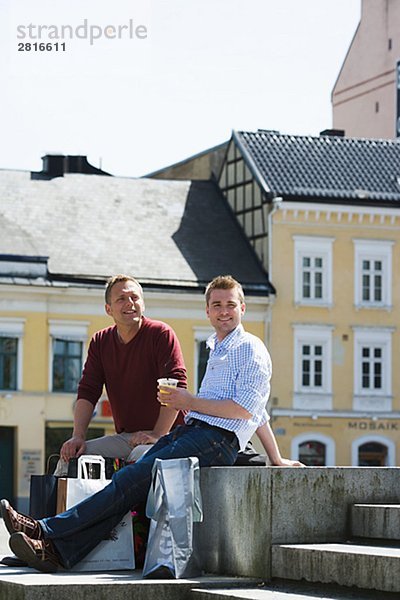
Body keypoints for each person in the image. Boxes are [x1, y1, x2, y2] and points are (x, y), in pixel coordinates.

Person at [1, 275, 301, 574]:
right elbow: (258, 411)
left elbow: (245, 409)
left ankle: (43, 530)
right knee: (130, 484)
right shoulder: (220, 347)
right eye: (217, 305)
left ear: (243, 308)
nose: (224, 311)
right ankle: (57, 551)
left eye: (230, 305)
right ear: (207, 311)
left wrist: (189, 403)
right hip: (195, 432)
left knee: (130, 479)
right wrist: (275, 459)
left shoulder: (249, 347)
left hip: (214, 438)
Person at [55, 274, 187, 474]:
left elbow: (175, 384)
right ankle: (54, 507)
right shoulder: (100, 341)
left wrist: (158, 433)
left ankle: (127, 507)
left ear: (143, 303)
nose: (130, 303)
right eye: (121, 299)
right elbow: (89, 390)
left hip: (170, 435)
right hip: (128, 437)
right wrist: (78, 436)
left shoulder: (161, 334)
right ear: (109, 309)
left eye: (135, 297)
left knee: (139, 458)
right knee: (72, 459)